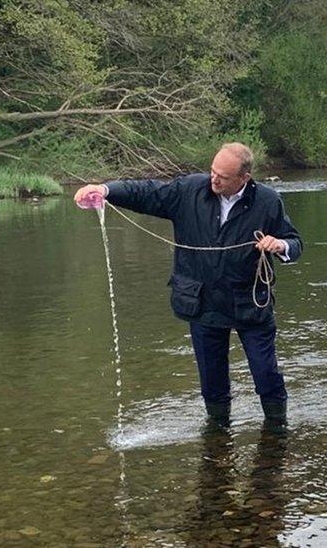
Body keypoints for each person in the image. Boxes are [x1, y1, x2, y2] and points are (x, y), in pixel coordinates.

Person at [73, 143, 303, 431]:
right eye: (212, 171)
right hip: (202, 303)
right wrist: (107, 191)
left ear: (244, 178)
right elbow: (146, 192)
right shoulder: (189, 190)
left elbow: (295, 244)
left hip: (250, 304)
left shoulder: (268, 201)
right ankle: (218, 434)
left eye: (223, 176)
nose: (214, 179)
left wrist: (279, 245)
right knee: (212, 383)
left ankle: (277, 432)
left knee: (266, 374)